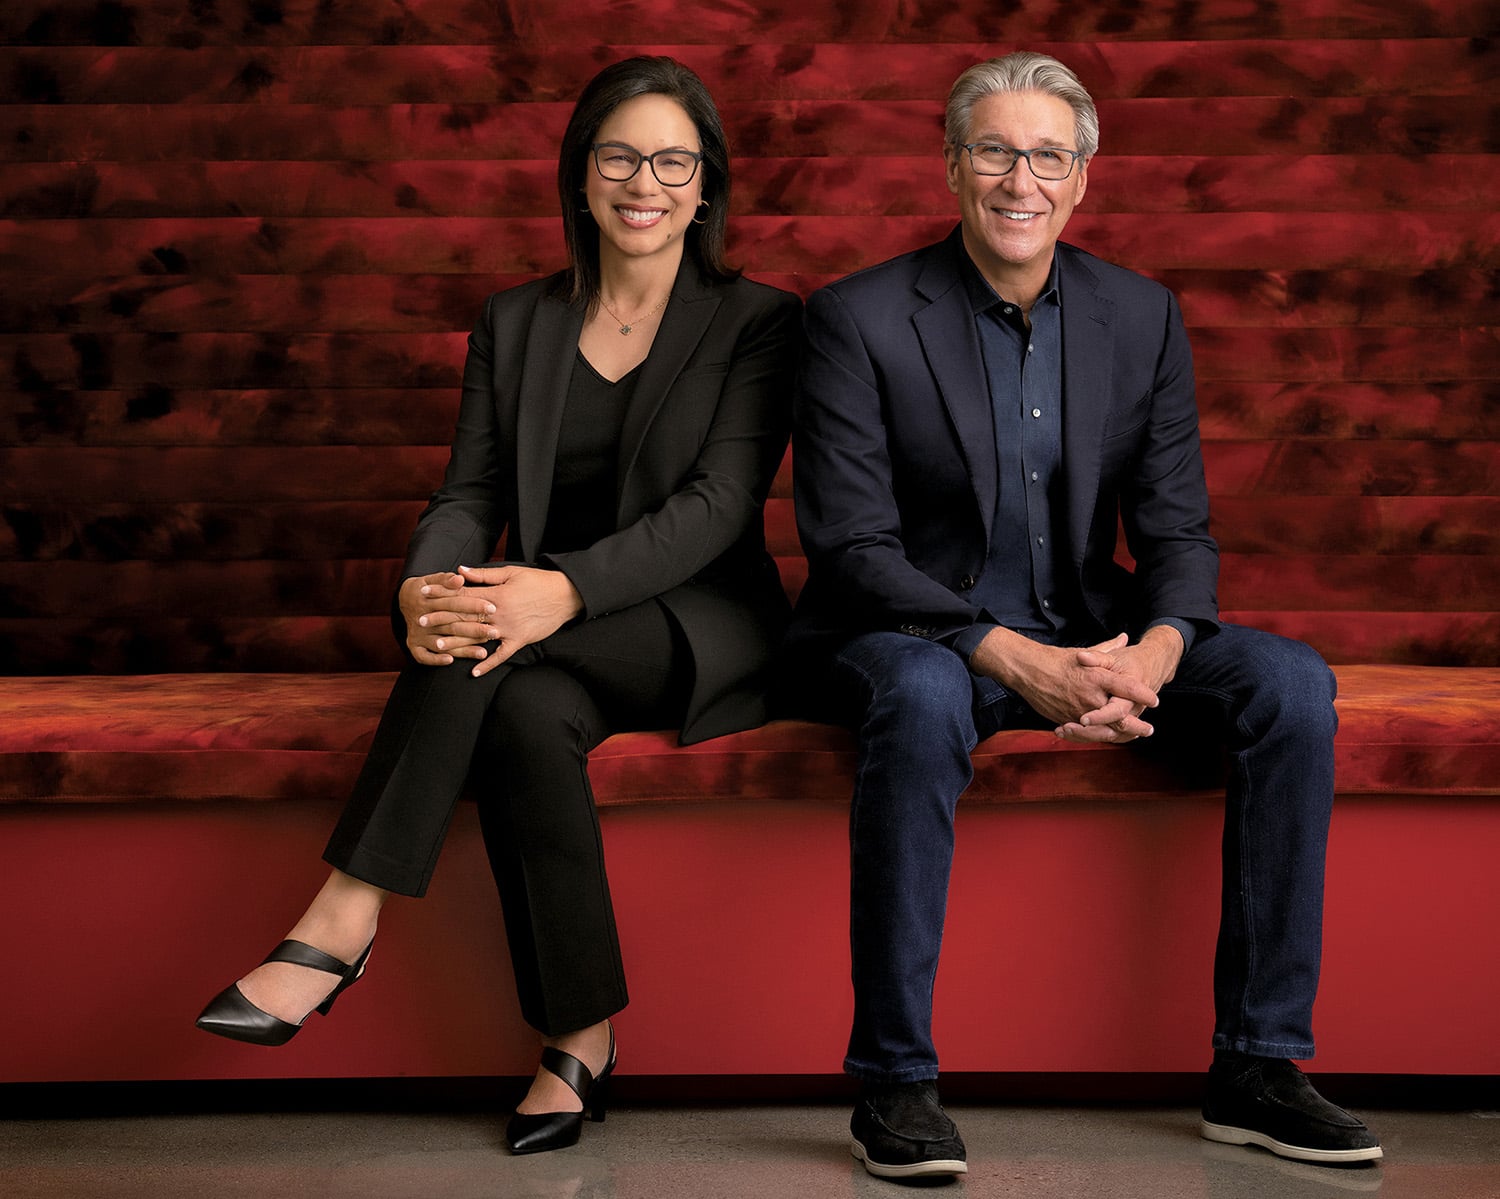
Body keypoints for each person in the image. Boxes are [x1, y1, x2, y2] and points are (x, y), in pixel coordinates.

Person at [779, 51, 1382, 1180]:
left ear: (1083, 178)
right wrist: (1018, 659)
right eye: (996, 151)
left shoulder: (1138, 313)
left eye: (1049, 154)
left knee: (1291, 682)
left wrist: (1154, 652)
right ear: (954, 166)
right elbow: (851, 547)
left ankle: (1257, 1066)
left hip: (1088, 619)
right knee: (917, 696)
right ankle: (894, 1080)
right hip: (908, 632)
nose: (1023, 179)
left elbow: (1178, 531)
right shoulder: (857, 318)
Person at [196, 55, 801, 1157]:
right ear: (580, 176)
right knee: (518, 707)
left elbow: (719, 506)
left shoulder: (756, 321)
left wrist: (560, 588)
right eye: (620, 155)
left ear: (706, 185)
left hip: (697, 622)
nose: (645, 181)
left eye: (675, 160)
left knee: (501, 644)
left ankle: (343, 912)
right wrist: (424, 589)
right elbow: (469, 494)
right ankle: (581, 1034)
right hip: (534, 628)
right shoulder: (516, 320)